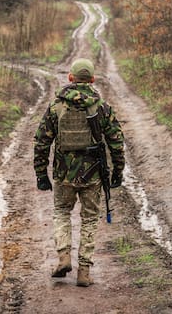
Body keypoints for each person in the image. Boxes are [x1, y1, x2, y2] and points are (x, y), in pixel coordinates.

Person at [33, 58, 125, 287]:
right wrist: (118, 171)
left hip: (63, 174)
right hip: (93, 176)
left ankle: (64, 257)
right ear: (92, 80)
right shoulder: (101, 107)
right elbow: (116, 141)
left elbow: (42, 142)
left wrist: (41, 173)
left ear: (70, 78)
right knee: (90, 219)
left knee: (62, 212)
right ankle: (84, 271)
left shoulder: (56, 107)